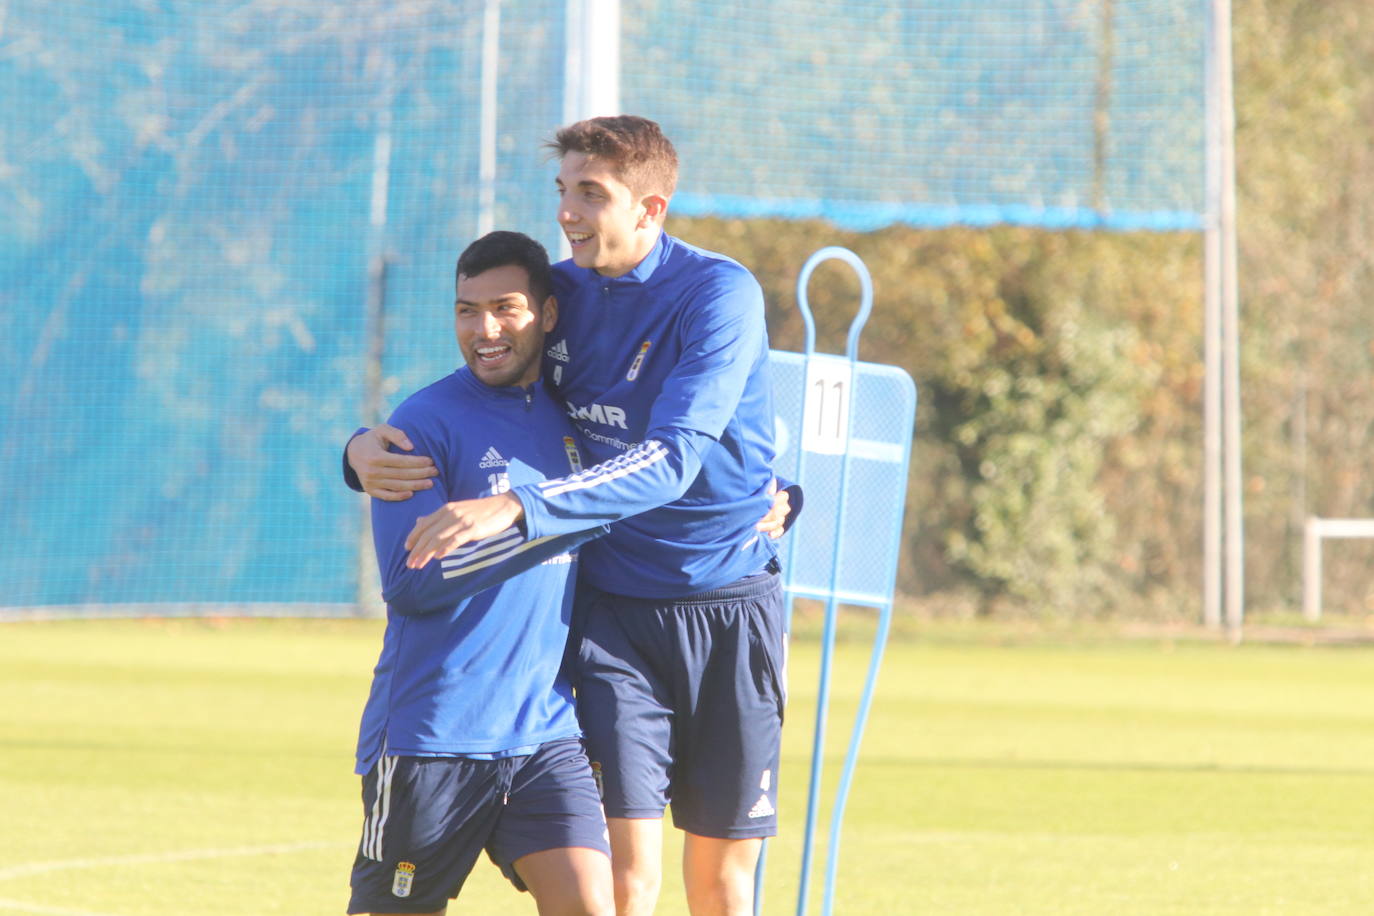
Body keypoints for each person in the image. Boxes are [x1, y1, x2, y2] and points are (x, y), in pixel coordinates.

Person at [348, 116, 790, 916]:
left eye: (592, 193)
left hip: (730, 604)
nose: (569, 212)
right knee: (623, 885)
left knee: (723, 885)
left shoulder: (718, 293)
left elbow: (687, 449)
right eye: (564, 191)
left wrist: (788, 489)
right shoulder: (561, 294)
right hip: (615, 615)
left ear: (651, 209)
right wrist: (353, 451)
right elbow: (474, 388)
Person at [347, 231, 614, 916]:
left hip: (545, 734)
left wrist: (783, 492)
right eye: (467, 310)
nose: (484, 330)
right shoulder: (420, 423)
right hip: (432, 738)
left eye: (506, 308)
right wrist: (548, 520)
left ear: (547, 316)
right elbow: (413, 582)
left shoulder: (579, 416)